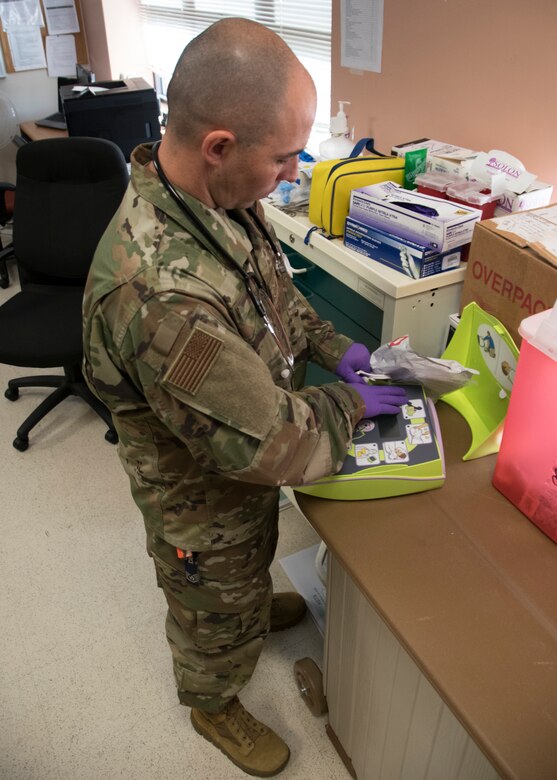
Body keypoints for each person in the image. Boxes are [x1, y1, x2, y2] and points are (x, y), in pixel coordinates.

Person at [82, 17, 407, 777]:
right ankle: (211, 701)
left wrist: (337, 349)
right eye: (285, 156)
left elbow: (273, 300)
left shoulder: (215, 195)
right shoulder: (160, 294)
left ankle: (250, 610)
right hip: (201, 495)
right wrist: (357, 404)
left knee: (247, 568)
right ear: (219, 144)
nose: (293, 174)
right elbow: (273, 445)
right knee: (211, 602)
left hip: (239, 469)